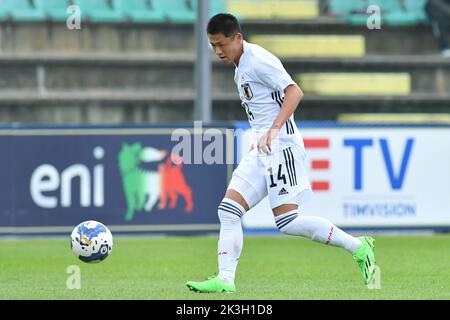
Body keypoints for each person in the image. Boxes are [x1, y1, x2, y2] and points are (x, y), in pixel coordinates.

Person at [186, 13, 376, 293]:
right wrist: (263, 134)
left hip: (282, 147)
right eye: (213, 46)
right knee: (228, 210)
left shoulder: (258, 60)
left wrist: (273, 130)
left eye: (221, 45)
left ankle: (359, 246)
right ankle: (225, 279)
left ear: (237, 38)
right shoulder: (240, 66)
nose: (217, 51)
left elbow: (294, 92)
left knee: (288, 221)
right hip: (262, 149)